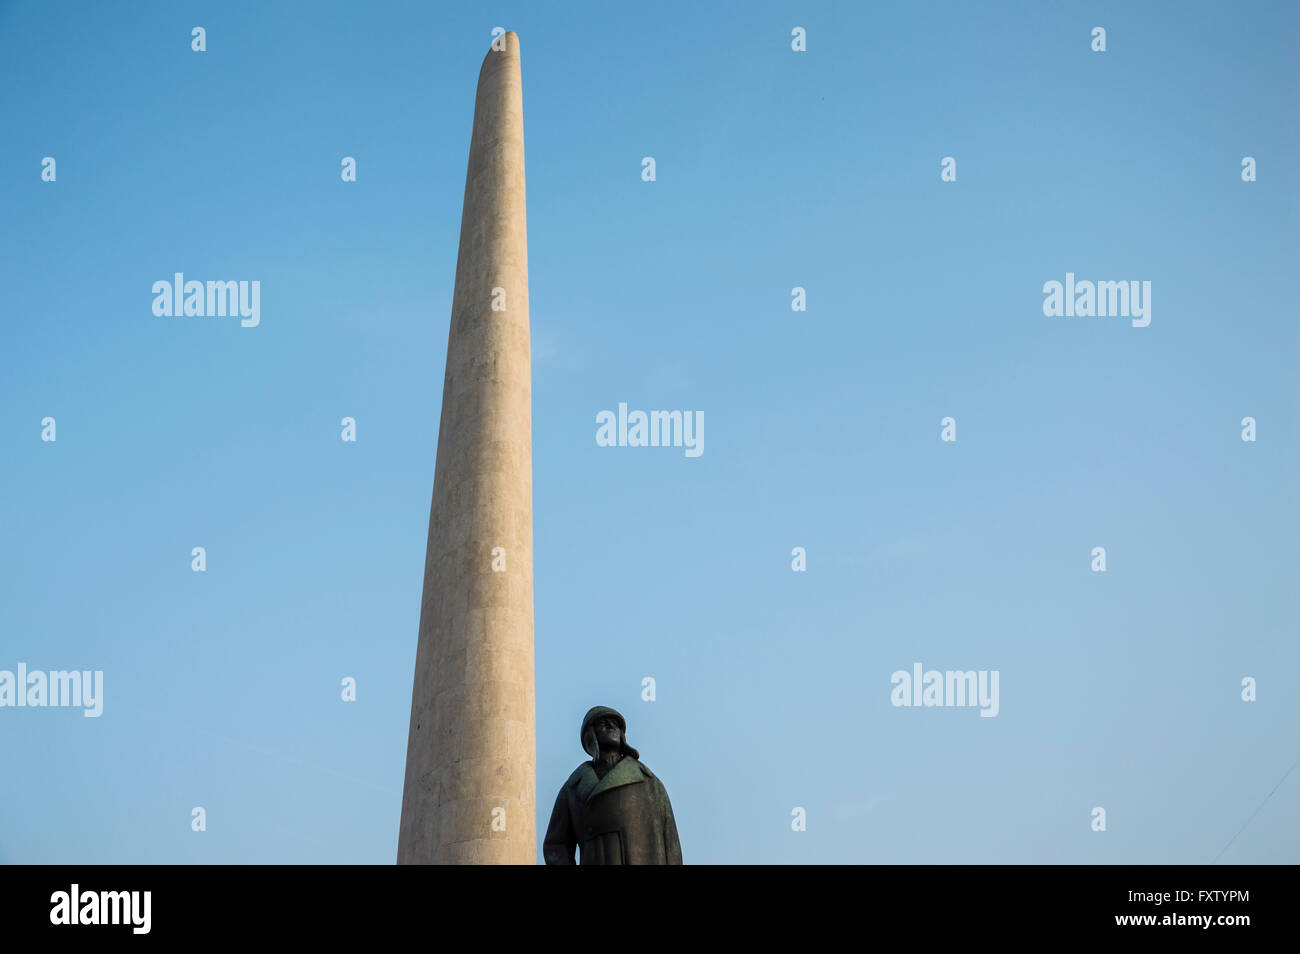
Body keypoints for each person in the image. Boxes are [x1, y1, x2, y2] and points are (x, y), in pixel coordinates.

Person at [542, 706, 682, 865]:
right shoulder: (573, 789)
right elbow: (555, 845)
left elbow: (672, 848)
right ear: (590, 736)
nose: (610, 727)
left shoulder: (651, 785)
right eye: (603, 723)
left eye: (615, 724)